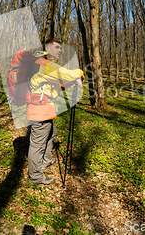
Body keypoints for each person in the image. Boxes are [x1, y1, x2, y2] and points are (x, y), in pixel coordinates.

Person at [27, 38, 83, 185]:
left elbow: (59, 84)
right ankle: (35, 176)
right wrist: (81, 73)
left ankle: (46, 160)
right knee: (37, 144)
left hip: (44, 110)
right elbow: (67, 74)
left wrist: (75, 81)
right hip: (40, 110)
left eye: (60, 48)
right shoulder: (46, 65)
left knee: (53, 133)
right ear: (47, 48)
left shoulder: (45, 66)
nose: (59, 50)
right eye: (56, 47)